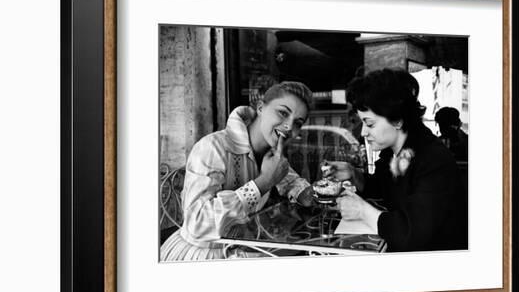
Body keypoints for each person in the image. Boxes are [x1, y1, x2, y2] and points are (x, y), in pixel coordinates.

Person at [161, 81, 315, 261]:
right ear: (260, 108)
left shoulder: (271, 154)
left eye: (298, 122)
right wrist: (263, 183)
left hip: (246, 251)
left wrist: (319, 192)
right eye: (282, 113)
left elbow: (293, 184)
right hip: (202, 256)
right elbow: (197, 223)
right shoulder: (213, 147)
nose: (289, 127)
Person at [329, 69, 467, 252]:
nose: (363, 132)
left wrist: (362, 211)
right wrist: (353, 174)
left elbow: (411, 234)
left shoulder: (433, 160)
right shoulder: (395, 151)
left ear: (397, 120)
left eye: (370, 124)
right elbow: (382, 187)